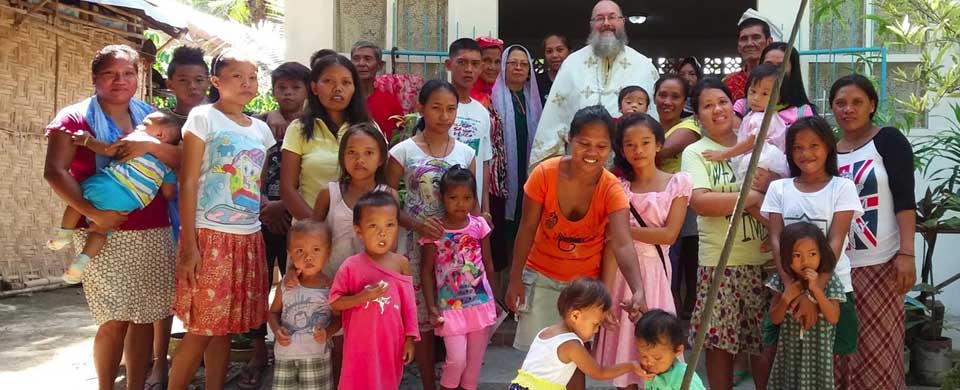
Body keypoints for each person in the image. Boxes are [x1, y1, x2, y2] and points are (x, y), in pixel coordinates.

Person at [44, 44, 179, 390]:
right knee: (113, 319)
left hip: (153, 229)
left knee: (145, 317)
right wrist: (94, 215)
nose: (121, 80)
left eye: (128, 73)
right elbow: (55, 173)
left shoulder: (152, 117)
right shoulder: (74, 119)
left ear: (139, 77)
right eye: (110, 74)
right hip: (100, 230)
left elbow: (180, 160)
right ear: (95, 78)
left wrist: (151, 147)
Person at [505, 105, 648, 389]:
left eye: (601, 146)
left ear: (611, 148)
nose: (592, 152)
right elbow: (526, 229)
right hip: (542, 276)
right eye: (584, 143)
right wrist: (514, 279)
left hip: (583, 289)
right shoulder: (544, 174)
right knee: (540, 362)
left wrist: (638, 288)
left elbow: (622, 242)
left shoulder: (611, 189)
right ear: (569, 140)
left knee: (576, 363)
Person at [168, 50, 276, 390]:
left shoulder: (261, 129)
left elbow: (254, 184)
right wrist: (189, 244)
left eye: (253, 77)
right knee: (201, 329)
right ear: (216, 82)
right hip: (209, 234)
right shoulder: (203, 118)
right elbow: (188, 181)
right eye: (237, 76)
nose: (246, 83)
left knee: (224, 328)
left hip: (247, 236)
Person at [680, 78, 771, 390]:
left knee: (763, 340)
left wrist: (751, 198)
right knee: (718, 342)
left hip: (764, 261)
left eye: (721, 101)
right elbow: (702, 202)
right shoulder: (695, 152)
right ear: (697, 116)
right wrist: (754, 199)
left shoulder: (757, 140)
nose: (717, 109)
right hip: (719, 262)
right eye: (707, 105)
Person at [386, 80, 478, 390]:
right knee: (423, 319)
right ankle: (428, 383)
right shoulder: (402, 152)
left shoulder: (466, 154)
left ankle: (455, 379)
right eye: (436, 108)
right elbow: (387, 206)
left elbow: (473, 206)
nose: (444, 116)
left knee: (454, 314)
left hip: (456, 254)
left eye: (450, 109)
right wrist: (416, 225)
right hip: (415, 247)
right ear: (420, 108)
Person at [594, 113, 691, 389]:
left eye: (645, 142)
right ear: (621, 149)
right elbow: (612, 245)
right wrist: (606, 293)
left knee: (658, 353)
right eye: (630, 144)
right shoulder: (617, 187)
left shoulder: (678, 183)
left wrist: (622, 230)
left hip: (655, 275)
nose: (638, 150)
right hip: (621, 278)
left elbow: (669, 235)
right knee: (624, 361)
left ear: (659, 144)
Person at [759, 116, 862, 377]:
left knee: (835, 363)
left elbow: (835, 242)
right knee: (782, 359)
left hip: (832, 288)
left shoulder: (843, 188)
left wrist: (813, 293)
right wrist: (791, 287)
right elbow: (776, 240)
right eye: (797, 147)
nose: (806, 153)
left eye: (814, 145)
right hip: (787, 289)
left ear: (828, 147)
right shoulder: (779, 189)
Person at [831, 74, 916, 390]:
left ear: (872, 106)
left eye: (857, 102)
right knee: (841, 354)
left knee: (880, 355)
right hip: (838, 269)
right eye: (840, 103)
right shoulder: (827, 151)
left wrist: (907, 253)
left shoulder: (888, 141)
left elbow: (905, 200)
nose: (848, 109)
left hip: (882, 267)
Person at [239, 61, 310, 389]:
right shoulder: (260, 124)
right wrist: (266, 207)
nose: (288, 94)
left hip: (296, 216)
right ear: (273, 90)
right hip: (260, 216)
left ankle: (292, 345)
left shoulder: (313, 126)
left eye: (295, 88)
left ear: (307, 91)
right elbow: (247, 170)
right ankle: (258, 350)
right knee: (259, 284)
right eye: (282, 88)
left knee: (295, 285)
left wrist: (284, 204)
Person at [529, 0, 660, 169]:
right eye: (599, 18)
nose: (606, 23)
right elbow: (554, 119)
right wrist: (547, 171)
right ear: (591, 25)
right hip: (579, 168)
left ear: (622, 21)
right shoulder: (572, 65)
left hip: (629, 171)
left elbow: (653, 124)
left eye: (612, 17)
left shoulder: (644, 67)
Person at [53, 112, 181, 284]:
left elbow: (108, 150)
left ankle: (64, 233)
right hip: (129, 203)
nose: (138, 126)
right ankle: (80, 264)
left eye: (145, 124)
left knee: (77, 198)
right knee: (100, 231)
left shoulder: (136, 141)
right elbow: (169, 193)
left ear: (160, 135)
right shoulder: (167, 167)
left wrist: (86, 140)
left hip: (109, 185)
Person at [153, 44, 211, 390]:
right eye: (184, 80)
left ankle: (195, 357)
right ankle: (161, 363)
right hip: (167, 217)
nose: (193, 87)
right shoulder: (160, 122)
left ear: (209, 82)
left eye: (199, 80)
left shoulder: (219, 116)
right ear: (170, 82)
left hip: (209, 222)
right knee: (167, 294)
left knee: (202, 293)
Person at [329, 191, 419, 390]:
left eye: (390, 225)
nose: (382, 233)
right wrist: (363, 297)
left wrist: (410, 339)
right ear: (358, 230)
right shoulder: (350, 266)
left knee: (387, 383)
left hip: (390, 343)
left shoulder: (401, 264)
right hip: (359, 345)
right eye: (373, 226)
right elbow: (335, 303)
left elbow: (409, 307)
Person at [420, 166, 498, 390]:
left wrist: (495, 300)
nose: (460, 203)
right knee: (456, 361)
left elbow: (488, 264)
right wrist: (432, 307)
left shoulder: (479, 226)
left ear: (474, 199)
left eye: (466, 198)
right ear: (442, 198)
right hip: (450, 309)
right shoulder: (434, 230)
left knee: (473, 368)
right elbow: (426, 270)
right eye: (453, 197)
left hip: (480, 305)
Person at [510, 277, 646, 390]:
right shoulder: (571, 344)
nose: (596, 330)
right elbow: (600, 372)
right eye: (595, 324)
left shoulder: (545, 332)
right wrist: (631, 366)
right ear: (575, 316)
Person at [281, 55, 371, 221]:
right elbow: (287, 189)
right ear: (314, 87)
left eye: (346, 82)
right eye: (328, 81)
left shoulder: (369, 128)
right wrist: (316, 227)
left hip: (360, 232)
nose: (337, 88)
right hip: (311, 237)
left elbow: (381, 181)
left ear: (354, 88)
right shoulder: (298, 128)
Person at [766, 222, 845, 389]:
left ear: (822, 254)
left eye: (812, 254)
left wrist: (816, 290)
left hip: (818, 359)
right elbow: (774, 318)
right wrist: (786, 298)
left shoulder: (829, 282)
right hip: (789, 358)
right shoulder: (784, 282)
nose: (805, 261)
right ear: (786, 257)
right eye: (796, 255)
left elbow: (834, 317)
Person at [490, 44, 543, 283]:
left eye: (524, 64)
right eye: (513, 63)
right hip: (503, 178)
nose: (519, 68)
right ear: (504, 67)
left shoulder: (533, 101)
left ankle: (523, 282)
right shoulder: (492, 98)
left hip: (528, 172)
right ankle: (503, 288)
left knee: (527, 226)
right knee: (505, 231)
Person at [268, 220, 341, 390]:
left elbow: (340, 319)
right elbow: (272, 313)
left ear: (328, 253)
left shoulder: (330, 288)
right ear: (290, 254)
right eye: (300, 251)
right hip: (284, 357)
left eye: (316, 250)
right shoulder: (285, 285)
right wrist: (276, 330)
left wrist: (327, 333)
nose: (308, 257)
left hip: (316, 357)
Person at [652, 74, 702, 320]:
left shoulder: (690, 126)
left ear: (685, 101)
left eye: (675, 96)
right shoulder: (649, 124)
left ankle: (675, 324)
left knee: (679, 264)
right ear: (654, 97)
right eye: (662, 95)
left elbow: (662, 151)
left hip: (684, 206)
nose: (667, 101)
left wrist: (634, 144)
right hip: (651, 204)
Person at [703, 64, 790, 181]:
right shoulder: (756, 115)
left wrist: (722, 154)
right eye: (753, 91)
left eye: (764, 94)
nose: (756, 98)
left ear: (778, 97)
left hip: (763, 162)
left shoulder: (760, 119)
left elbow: (751, 142)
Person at [445, 38, 494, 214]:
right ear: (448, 64)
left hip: (472, 208)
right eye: (462, 62)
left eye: (474, 64)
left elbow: (484, 162)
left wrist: (485, 209)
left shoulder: (482, 112)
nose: (468, 69)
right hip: (439, 208)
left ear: (480, 68)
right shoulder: (435, 108)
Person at [734, 42, 817, 123]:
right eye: (768, 65)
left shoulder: (803, 113)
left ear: (793, 70)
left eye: (781, 66)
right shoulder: (742, 107)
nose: (774, 71)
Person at [633, 310, 706, 390]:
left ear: (678, 350)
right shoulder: (649, 372)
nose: (649, 363)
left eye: (657, 358)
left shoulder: (683, 377)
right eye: (643, 356)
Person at [351, 40, 404, 139]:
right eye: (356, 59)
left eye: (367, 59)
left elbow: (397, 138)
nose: (361, 63)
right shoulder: (344, 100)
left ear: (380, 65)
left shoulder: (390, 101)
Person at [723, 11, 776, 101]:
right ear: (738, 47)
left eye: (756, 37)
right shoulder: (728, 82)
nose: (749, 43)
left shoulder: (780, 79)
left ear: (769, 42)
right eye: (744, 39)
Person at [537, 33, 572, 105]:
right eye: (549, 51)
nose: (554, 55)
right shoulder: (537, 83)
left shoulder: (579, 80)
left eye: (560, 50)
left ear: (570, 52)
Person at [471, 35, 504, 106]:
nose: (492, 67)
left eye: (497, 62)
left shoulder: (502, 95)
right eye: (486, 60)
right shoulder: (465, 97)